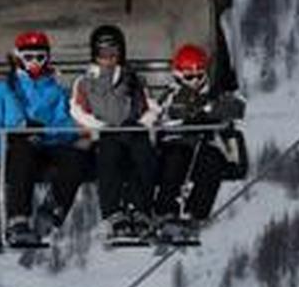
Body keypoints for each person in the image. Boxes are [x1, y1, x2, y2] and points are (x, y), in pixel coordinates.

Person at [0, 29, 84, 246]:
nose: (34, 62)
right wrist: (17, 132)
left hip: (47, 146)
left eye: (39, 57)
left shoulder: (56, 90)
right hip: (16, 147)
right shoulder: (3, 89)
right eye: (28, 57)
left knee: (75, 158)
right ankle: (18, 220)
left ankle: (53, 208)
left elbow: (66, 126)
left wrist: (44, 132)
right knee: (22, 152)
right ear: (18, 57)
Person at [69, 23, 158, 241]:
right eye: (102, 53)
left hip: (130, 129)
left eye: (113, 52)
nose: (108, 58)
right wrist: (98, 127)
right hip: (104, 135)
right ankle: (113, 213)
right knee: (110, 154)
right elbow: (77, 110)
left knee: (142, 152)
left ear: (120, 53)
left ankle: (141, 210)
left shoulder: (133, 79)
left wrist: (143, 122)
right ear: (95, 54)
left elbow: (150, 106)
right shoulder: (85, 81)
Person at [149, 42, 244, 241]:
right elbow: (163, 114)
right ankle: (165, 212)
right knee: (175, 161)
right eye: (189, 76)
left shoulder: (212, 94)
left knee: (213, 161)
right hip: (174, 144)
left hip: (202, 145)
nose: (195, 81)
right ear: (178, 74)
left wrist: (216, 110)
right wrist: (189, 114)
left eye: (199, 75)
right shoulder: (172, 95)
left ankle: (196, 214)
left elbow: (234, 106)